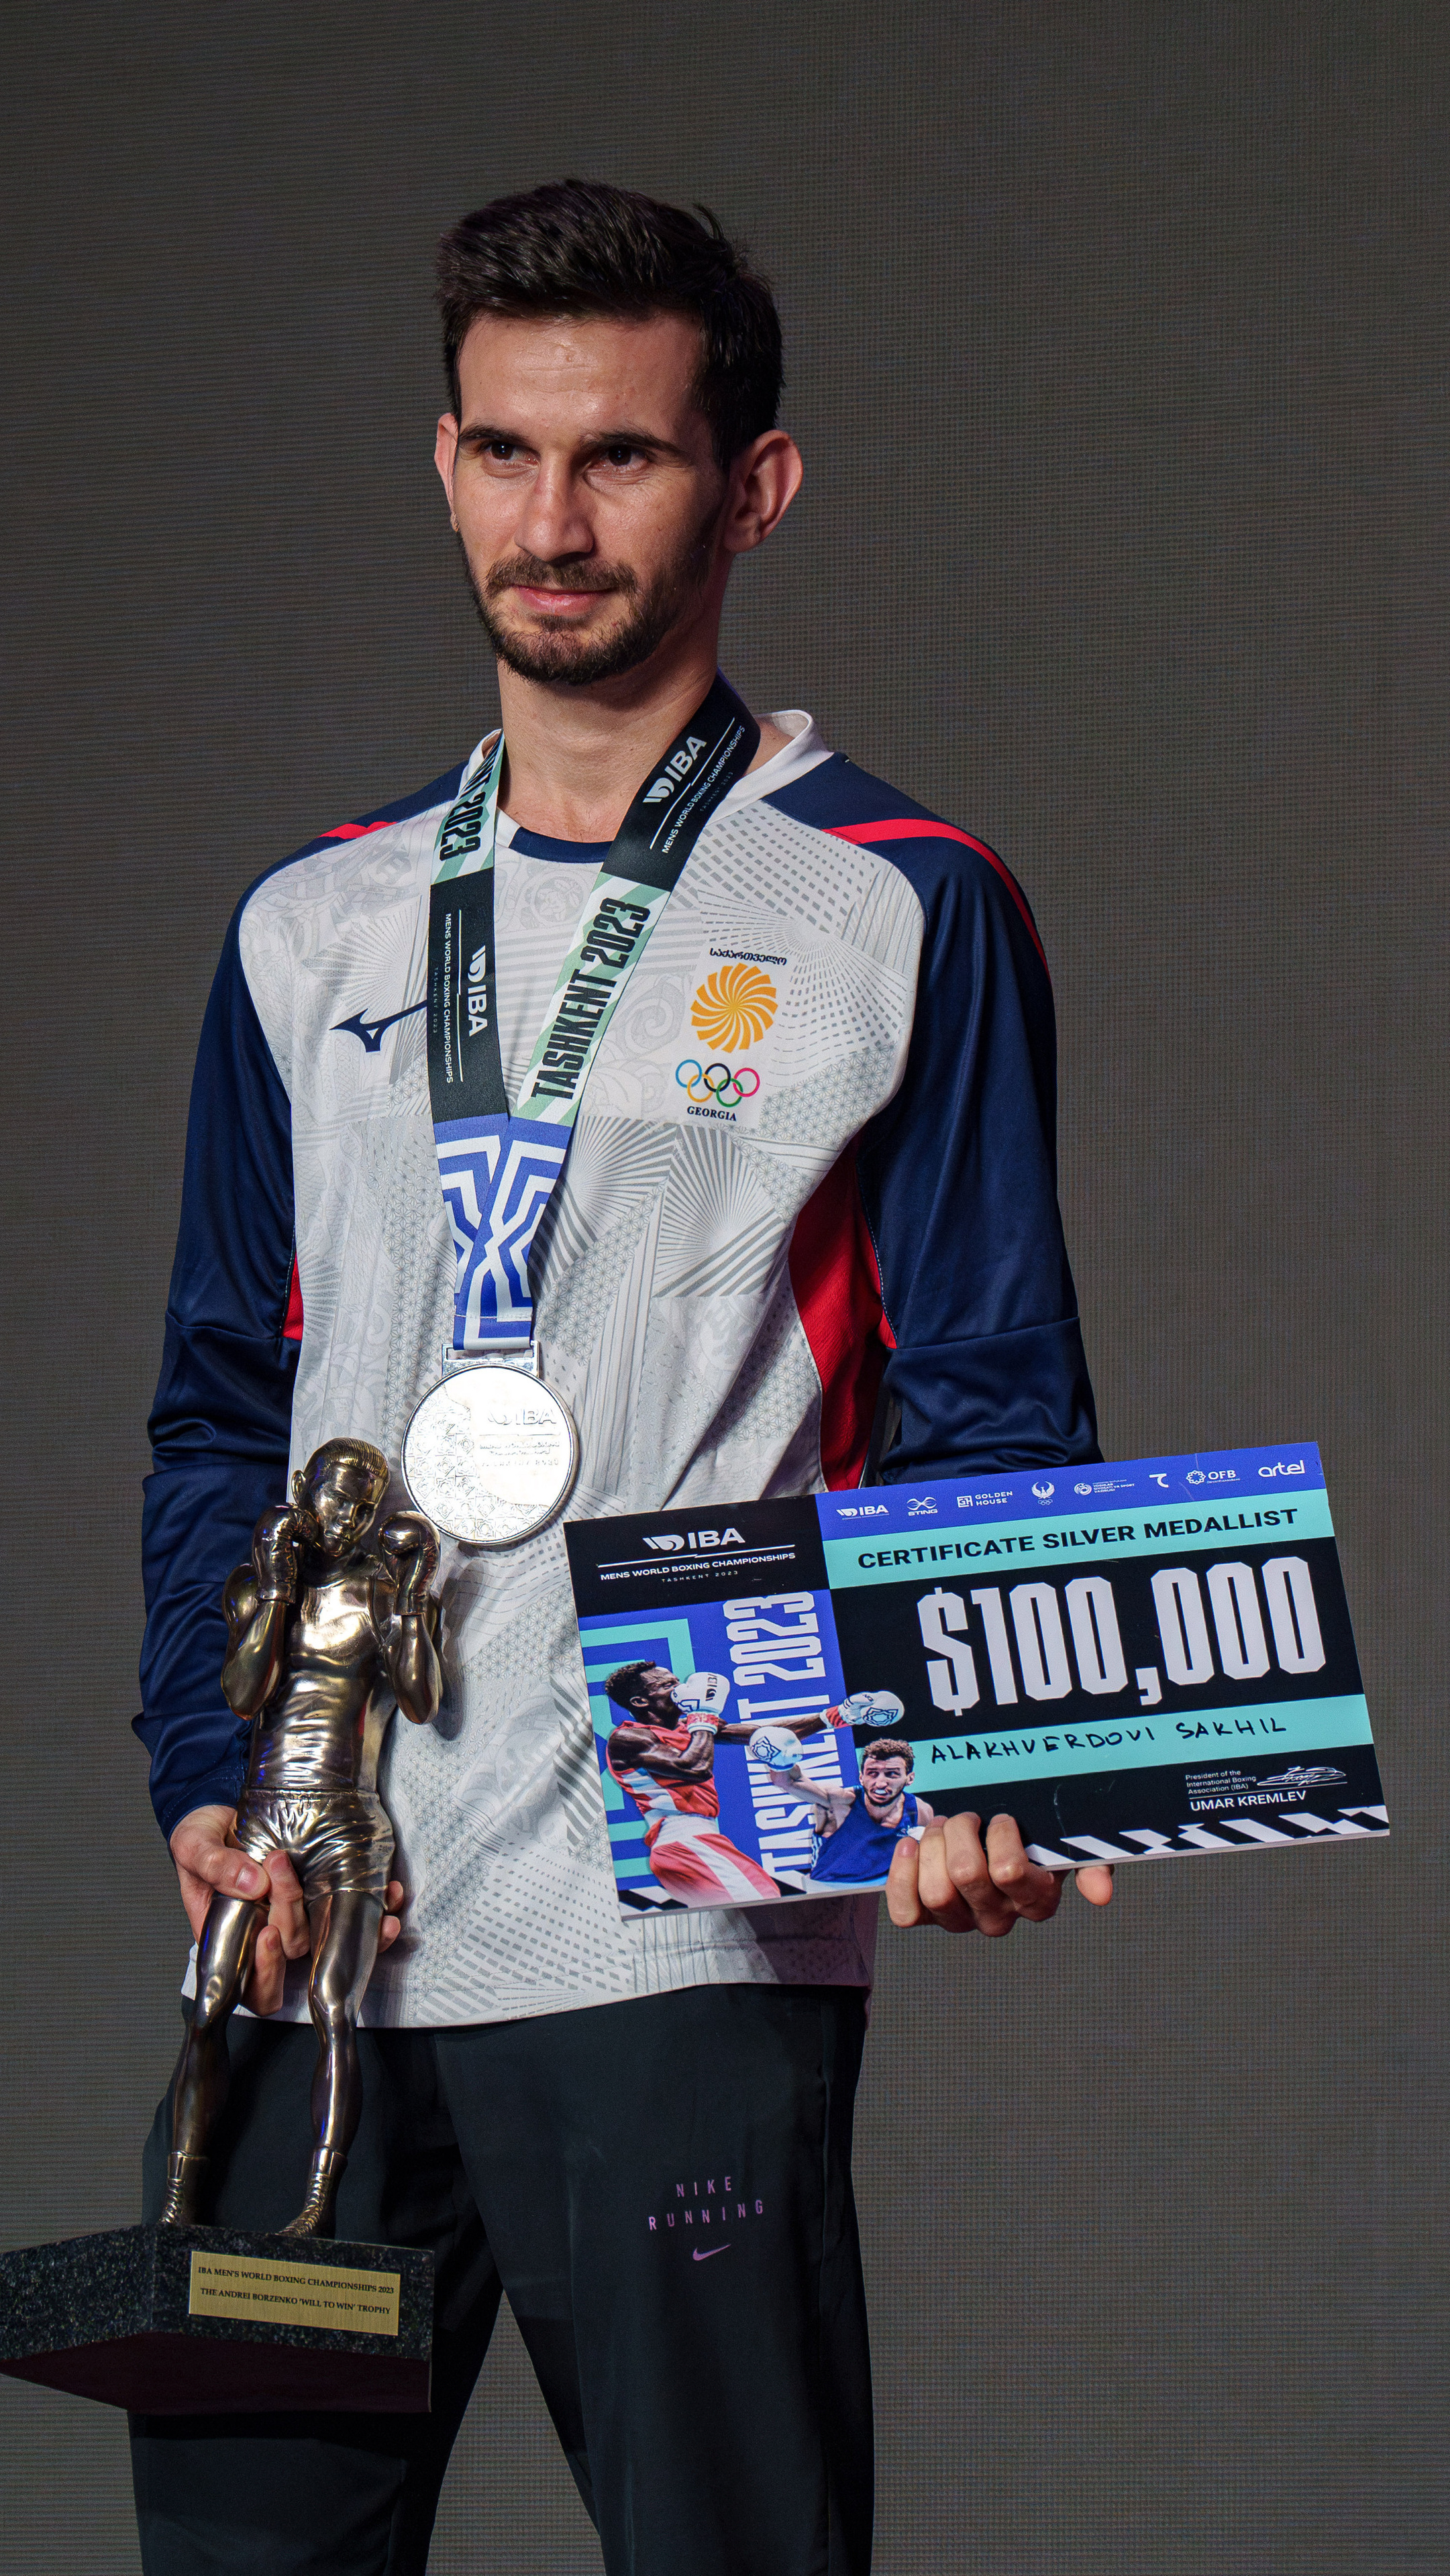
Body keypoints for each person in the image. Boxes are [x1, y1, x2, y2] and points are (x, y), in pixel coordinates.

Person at [131, 177, 1114, 2576]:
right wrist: (201, 1759)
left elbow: (983, 1382)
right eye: (501, 452)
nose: (550, 524)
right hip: (318, 1903)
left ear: (747, 484)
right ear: (444, 461)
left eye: (621, 458)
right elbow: (215, 1406)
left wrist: (995, 1756)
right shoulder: (317, 919)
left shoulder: (888, 893)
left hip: (684, 1877)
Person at [158, 1440, 442, 2239]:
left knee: (331, 2007)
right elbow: (242, 1693)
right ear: (302, 1492)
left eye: (361, 1504)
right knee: (210, 2004)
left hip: (346, 1819)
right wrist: (279, 1588)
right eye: (332, 1498)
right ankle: (181, 2203)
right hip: (263, 1814)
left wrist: (415, 1593)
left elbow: (420, 1699)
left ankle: (317, 2206)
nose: (344, 1517)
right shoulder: (261, 1584)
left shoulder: (383, 1587)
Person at [602, 1658, 835, 1904]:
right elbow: (694, 1768)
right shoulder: (627, 1738)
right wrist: (704, 1716)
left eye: (677, 1681)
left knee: (757, 1912)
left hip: (692, 1845)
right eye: (668, 1685)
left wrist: (834, 1716)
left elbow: (766, 1734)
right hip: (686, 1843)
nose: (681, 1688)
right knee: (765, 1904)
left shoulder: (689, 1728)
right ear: (641, 1701)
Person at [796, 1735, 934, 1889]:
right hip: (828, 1887)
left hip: (885, 1888)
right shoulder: (839, 1802)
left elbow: (926, 1862)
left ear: (909, 1778)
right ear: (861, 1777)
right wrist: (780, 1759)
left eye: (892, 1774)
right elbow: (790, 1781)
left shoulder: (920, 1811)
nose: (881, 1783)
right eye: (873, 1773)